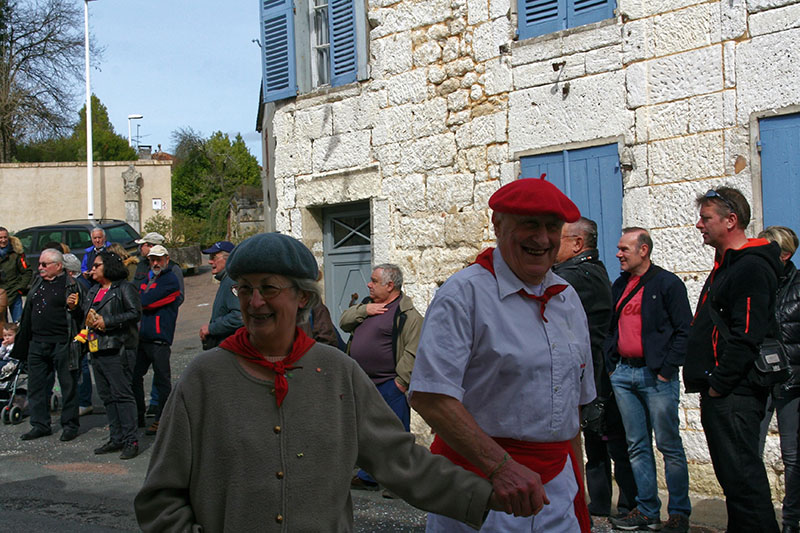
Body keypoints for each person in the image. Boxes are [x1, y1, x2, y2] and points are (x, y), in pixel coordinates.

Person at [134, 232, 516, 531]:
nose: (254, 302)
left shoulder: (338, 373)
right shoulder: (203, 378)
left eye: (269, 288)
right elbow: (160, 499)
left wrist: (486, 496)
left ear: (303, 297)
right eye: (245, 289)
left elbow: (401, 462)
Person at [409, 177, 595, 532]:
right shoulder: (463, 294)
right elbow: (430, 396)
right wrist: (501, 467)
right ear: (497, 225)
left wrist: (578, 486)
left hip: (557, 489)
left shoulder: (567, 297)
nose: (542, 238)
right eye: (529, 224)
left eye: (552, 227)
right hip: (482, 489)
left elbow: (572, 408)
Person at [684, 187, 781, 533]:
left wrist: (719, 384)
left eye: (706, 218)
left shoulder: (750, 266)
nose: (699, 225)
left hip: (735, 393)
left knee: (745, 482)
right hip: (724, 392)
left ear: (731, 221)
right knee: (735, 483)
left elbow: (747, 334)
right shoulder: (726, 265)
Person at [604, 228, 693, 533]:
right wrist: (612, 365)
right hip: (623, 375)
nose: (618, 254)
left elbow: (684, 330)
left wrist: (666, 369)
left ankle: (678, 513)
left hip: (656, 377)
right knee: (636, 445)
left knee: (669, 446)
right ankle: (646, 510)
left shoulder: (667, 284)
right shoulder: (619, 285)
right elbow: (610, 328)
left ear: (643, 250)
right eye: (619, 248)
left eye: (624, 249)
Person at [552, 217, 637, 519]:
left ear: (578, 244)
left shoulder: (578, 276)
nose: (550, 244)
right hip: (593, 371)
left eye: (558, 238)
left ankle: (628, 505)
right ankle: (600, 504)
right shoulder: (584, 271)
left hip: (598, 373)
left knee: (611, 442)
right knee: (597, 443)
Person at [340, 263, 423, 490]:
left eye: (374, 281)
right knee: (367, 432)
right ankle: (369, 477)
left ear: (390, 285)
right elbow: (344, 321)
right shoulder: (368, 305)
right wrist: (364, 310)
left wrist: (400, 383)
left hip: (389, 384)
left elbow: (414, 349)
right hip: (362, 382)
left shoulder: (407, 314)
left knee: (394, 435)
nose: (369, 284)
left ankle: (399, 484)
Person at [12, 248, 84, 442]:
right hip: (37, 342)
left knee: (68, 386)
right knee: (36, 386)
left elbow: (83, 315)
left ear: (58, 266)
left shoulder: (72, 285)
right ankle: (40, 424)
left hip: (63, 343)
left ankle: (70, 425)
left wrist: (74, 308)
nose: (40, 268)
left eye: (44, 264)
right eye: (40, 264)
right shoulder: (38, 282)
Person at [757, 226, 800, 533]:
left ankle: (791, 521)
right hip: (758, 380)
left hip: (792, 381)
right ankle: (757, 519)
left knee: (793, 456)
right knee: (750, 452)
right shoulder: (756, 282)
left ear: (784, 255)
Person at [83, 251, 142, 460]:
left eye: (97, 265)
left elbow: (135, 313)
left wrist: (107, 322)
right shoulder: (93, 291)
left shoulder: (124, 288)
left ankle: (131, 440)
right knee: (107, 396)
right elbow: (85, 315)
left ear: (108, 267)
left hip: (118, 348)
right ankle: (116, 437)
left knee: (122, 395)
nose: (92, 269)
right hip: (96, 347)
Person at [131, 232, 183, 417]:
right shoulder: (149, 277)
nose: (155, 263)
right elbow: (139, 298)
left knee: (162, 380)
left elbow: (145, 301)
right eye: (152, 260)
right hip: (143, 337)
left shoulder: (170, 280)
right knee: (134, 375)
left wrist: (140, 299)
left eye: (159, 259)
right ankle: (139, 415)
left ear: (166, 259)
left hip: (160, 338)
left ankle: (164, 418)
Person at [63, 252, 94, 416]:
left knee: (81, 366)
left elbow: (82, 311)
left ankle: (84, 401)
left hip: (79, 332)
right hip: (78, 331)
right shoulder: (80, 282)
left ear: (68, 271)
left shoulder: (78, 285)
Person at [198, 241, 241, 349]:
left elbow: (239, 316)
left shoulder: (232, 281)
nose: (210, 261)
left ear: (229, 259)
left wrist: (211, 328)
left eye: (214, 257)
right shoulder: (226, 279)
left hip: (231, 346)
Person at [0, 226, 33, 323]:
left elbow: (27, 271)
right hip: (1, 293)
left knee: (19, 323)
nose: (3, 240)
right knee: (2, 324)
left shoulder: (17, 253)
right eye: (0, 238)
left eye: (5, 237)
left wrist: (20, 288)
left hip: (14, 291)